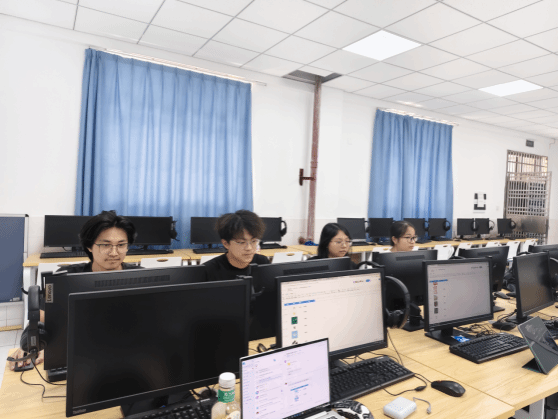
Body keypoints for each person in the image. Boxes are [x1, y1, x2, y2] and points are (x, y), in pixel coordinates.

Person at [9, 211, 142, 371]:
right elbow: (41, 317)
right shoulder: (67, 279)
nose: (114, 253)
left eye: (121, 245)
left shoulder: (142, 277)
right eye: (105, 245)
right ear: (89, 246)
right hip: (79, 359)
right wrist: (33, 345)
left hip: (131, 354)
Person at [203, 210, 270, 281]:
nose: (249, 248)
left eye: (253, 241)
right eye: (241, 242)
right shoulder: (208, 270)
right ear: (226, 244)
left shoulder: (262, 263)